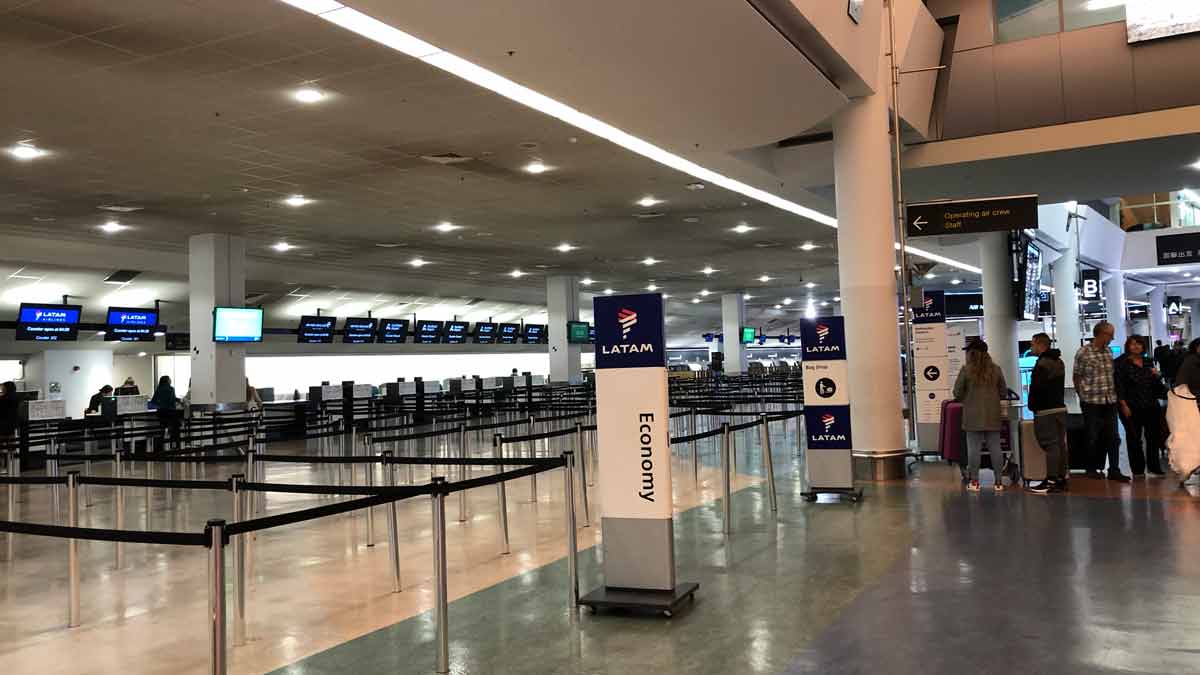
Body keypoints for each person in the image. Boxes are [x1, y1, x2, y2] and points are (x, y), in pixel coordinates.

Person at [1073, 321, 1130, 481]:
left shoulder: (1108, 352)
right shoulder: (1083, 352)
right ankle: (1091, 468)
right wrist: (1082, 395)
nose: (1112, 337)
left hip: (1109, 401)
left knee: (1113, 437)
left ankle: (1114, 469)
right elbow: (1077, 376)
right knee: (1092, 436)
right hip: (1091, 402)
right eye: (1110, 334)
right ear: (1101, 334)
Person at [953, 339, 1009, 493]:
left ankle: (975, 482)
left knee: (974, 449)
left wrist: (968, 397)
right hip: (992, 415)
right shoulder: (996, 370)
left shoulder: (966, 370)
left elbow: (957, 393)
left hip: (972, 416)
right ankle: (998, 482)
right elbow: (1003, 392)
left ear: (971, 353)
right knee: (995, 448)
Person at [1114, 335, 1167, 477]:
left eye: (1139, 344)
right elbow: (1118, 386)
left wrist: (1157, 375)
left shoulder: (1148, 362)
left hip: (1151, 405)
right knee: (1134, 439)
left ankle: (1154, 467)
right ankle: (1137, 470)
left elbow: (1156, 385)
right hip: (1131, 406)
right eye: (1132, 344)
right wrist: (1123, 405)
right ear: (1127, 346)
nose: (1136, 346)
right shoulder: (1120, 363)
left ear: (1143, 346)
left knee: (1153, 438)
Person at [1027, 333, 1068, 493]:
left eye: (1032, 344)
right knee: (1059, 445)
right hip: (1060, 409)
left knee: (1050, 445)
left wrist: (1033, 406)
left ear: (1039, 344)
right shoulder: (1059, 361)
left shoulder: (1042, 364)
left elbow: (1038, 388)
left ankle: (1051, 480)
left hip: (1046, 411)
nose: (1031, 347)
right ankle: (1061, 478)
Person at [150, 375, 181, 450]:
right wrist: (179, 401)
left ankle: (160, 447)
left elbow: (153, 401)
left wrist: (160, 404)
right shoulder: (171, 389)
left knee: (162, 430)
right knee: (177, 427)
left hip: (160, 413)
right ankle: (177, 445)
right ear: (167, 381)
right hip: (170, 412)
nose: (171, 380)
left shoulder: (158, 389)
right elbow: (172, 400)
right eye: (170, 379)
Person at [0, 381, 19, 451]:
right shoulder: (17, 398)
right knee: (11, 444)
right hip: (12, 424)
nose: (1, 389)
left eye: (2, 388)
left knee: (1, 445)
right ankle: (12, 458)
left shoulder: (2, 399)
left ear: (6, 388)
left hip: (2, 425)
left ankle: (3, 460)